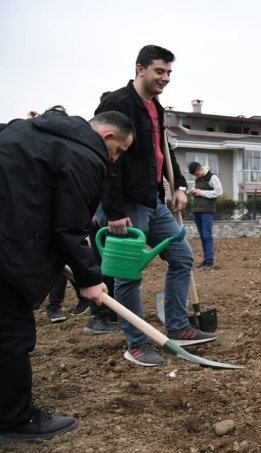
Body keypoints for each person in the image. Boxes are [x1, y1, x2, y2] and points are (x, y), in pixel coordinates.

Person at [0, 107, 133, 444]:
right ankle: (14, 420)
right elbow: (68, 227)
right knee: (11, 336)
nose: (115, 159)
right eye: (118, 151)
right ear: (107, 136)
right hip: (8, 249)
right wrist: (90, 279)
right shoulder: (85, 156)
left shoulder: (24, 130)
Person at [96, 45, 216, 367]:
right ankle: (136, 344)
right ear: (140, 69)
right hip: (127, 204)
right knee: (128, 275)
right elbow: (107, 160)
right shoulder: (118, 103)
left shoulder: (156, 107)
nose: (165, 78)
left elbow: (163, 149)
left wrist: (178, 185)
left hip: (153, 200)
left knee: (182, 257)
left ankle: (177, 326)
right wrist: (113, 210)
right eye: (159, 71)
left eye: (169, 72)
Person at [187, 161, 223, 270]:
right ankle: (206, 259)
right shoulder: (198, 179)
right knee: (202, 236)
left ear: (200, 169)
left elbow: (219, 192)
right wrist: (193, 192)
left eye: (197, 174)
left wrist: (201, 193)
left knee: (207, 235)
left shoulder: (212, 177)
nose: (196, 176)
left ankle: (210, 261)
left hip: (207, 211)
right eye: (194, 175)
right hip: (197, 210)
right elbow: (196, 190)